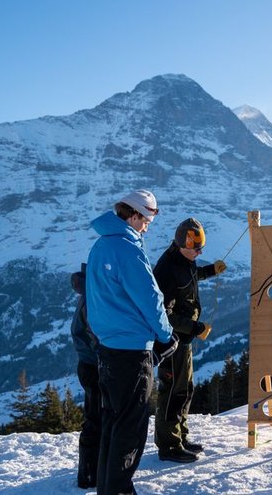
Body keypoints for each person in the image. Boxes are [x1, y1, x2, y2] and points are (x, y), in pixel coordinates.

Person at [86, 190, 176, 495]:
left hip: (107, 349)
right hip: (132, 351)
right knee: (131, 428)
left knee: (112, 422)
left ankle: (108, 489)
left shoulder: (100, 246)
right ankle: (120, 490)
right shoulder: (127, 249)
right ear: (133, 215)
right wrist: (166, 336)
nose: (147, 226)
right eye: (146, 220)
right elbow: (151, 298)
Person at [153, 217, 227, 463]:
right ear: (181, 243)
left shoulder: (184, 260)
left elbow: (191, 275)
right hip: (171, 341)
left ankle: (180, 438)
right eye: (196, 248)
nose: (200, 252)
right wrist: (195, 327)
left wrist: (210, 270)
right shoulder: (167, 269)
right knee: (173, 392)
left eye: (201, 248)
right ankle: (169, 446)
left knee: (185, 390)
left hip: (184, 340)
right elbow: (164, 313)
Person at [70, 263, 102, 489]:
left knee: (96, 415)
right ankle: (89, 474)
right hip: (94, 365)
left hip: (88, 364)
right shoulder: (93, 299)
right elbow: (98, 336)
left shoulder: (90, 294)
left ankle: (93, 469)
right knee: (96, 417)